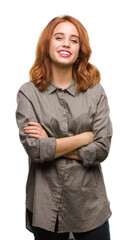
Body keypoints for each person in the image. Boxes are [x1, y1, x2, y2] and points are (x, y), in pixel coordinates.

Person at [15, 15, 112, 240]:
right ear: (47, 43)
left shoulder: (96, 93)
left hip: (90, 207)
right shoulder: (27, 94)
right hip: (47, 209)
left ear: (81, 49)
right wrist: (84, 137)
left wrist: (51, 142)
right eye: (59, 37)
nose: (66, 43)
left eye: (74, 40)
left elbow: (102, 149)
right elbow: (35, 150)